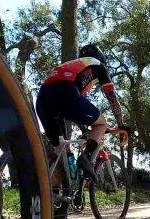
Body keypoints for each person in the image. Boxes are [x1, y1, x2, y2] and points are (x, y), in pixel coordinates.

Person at [35, 43, 124, 183]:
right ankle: (86, 158)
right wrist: (122, 125)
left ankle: (58, 192)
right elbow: (112, 98)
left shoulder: (73, 65)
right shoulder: (99, 65)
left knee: (62, 150)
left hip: (42, 98)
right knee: (101, 123)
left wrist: (85, 129)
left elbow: (75, 109)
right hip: (66, 92)